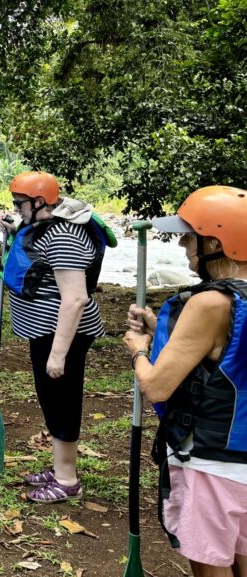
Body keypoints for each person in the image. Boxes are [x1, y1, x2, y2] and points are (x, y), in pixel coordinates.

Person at [124, 185, 247, 577]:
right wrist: (159, 327)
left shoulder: (209, 302)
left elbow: (157, 386)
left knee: (211, 567)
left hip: (213, 461)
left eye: (190, 235)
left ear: (215, 241)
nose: (182, 242)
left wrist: (140, 349)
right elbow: (222, 355)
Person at [0, 171, 110, 503]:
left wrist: (58, 354)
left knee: (61, 399)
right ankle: (61, 465)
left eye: (20, 204)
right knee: (51, 397)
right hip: (45, 329)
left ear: (39, 202)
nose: (17, 209)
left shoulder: (63, 235)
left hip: (62, 332)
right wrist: (13, 228)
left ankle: (67, 480)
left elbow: (75, 297)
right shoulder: (46, 224)